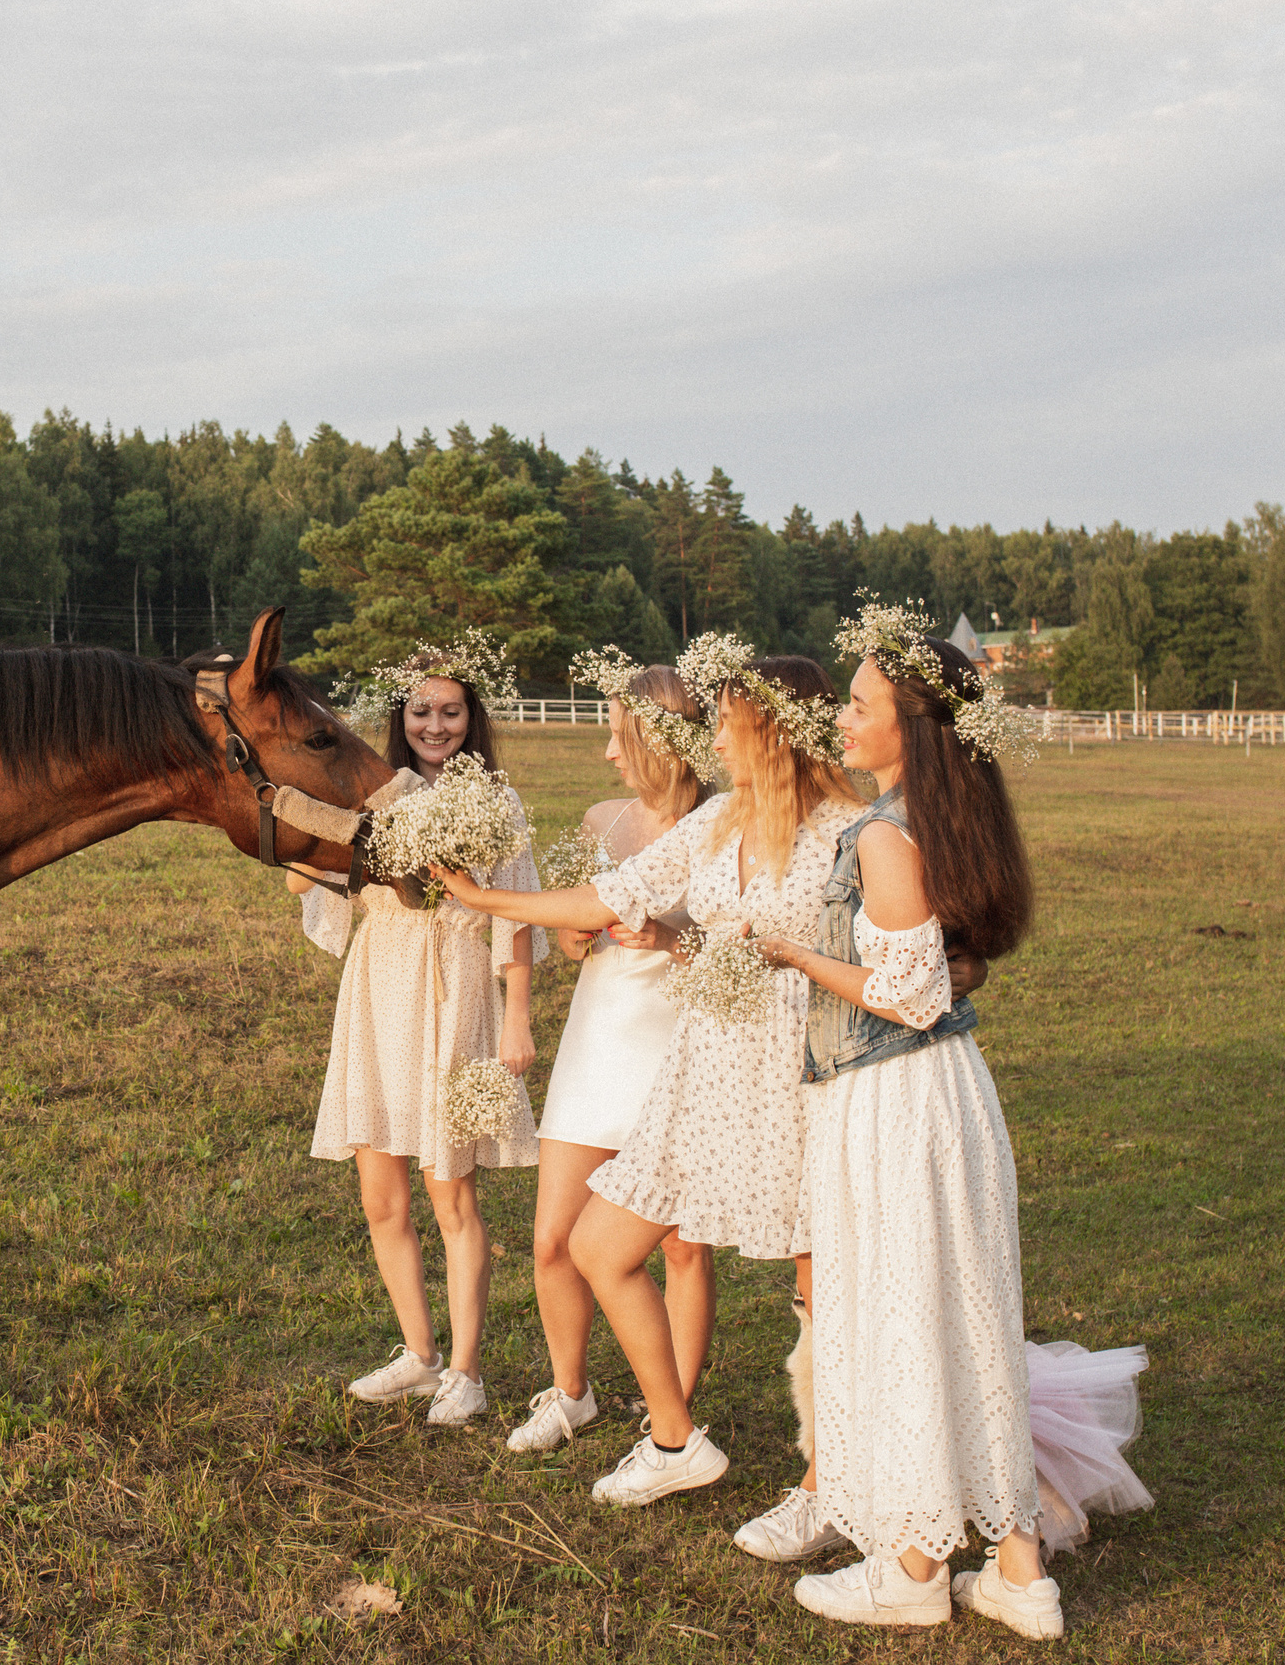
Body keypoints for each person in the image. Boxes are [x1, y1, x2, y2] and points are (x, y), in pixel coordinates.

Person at [746, 619, 1143, 1637]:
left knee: (902, 1314)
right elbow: (950, 966)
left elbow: (905, 993)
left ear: (910, 731)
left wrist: (790, 952)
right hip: (944, 1095)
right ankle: (1018, 1572)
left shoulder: (886, 830)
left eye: (858, 705)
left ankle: (913, 1570)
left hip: (891, 1101)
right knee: (964, 1317)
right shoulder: (949, 813)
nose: (840, 716)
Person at [436, 644, 863, 1505]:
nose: (720, 743)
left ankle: (830, 1480)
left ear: (776, 735)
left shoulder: (848, 831)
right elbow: (604, 899)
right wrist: (484, 899)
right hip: (700, 1071)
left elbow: (891, 952)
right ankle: (674, 1439)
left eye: (734, 727)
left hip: (802, 1078)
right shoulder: (719, 824)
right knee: (595, 1242)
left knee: (818, 1283)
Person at [294, 635, 543, 1430]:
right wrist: (309, 830)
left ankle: (465, 1371)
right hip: (379, 985)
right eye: (422, 710)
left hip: (457, 983)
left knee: (452, 1193)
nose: (436, 724)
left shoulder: (495, 800)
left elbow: (518, 915)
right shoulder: (379, 792)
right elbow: (312, 879)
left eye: (451, 711)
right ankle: (418, 1351)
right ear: (402, 718)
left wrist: (516, 1015)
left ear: (472, 719)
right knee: (381, 1195)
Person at [506, 664, 718, 1453]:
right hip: (599, 1037)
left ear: (658, 740)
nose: (606, 753)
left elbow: (743, 947)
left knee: (681, 1245)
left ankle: (672, 1408)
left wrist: (669, 937)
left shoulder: (722, 828)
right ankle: (571, 1392)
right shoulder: (604, 820)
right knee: (552, 1238)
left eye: (618, 735)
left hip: (680, 1044)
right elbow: (574, 928)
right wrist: (573, 935)